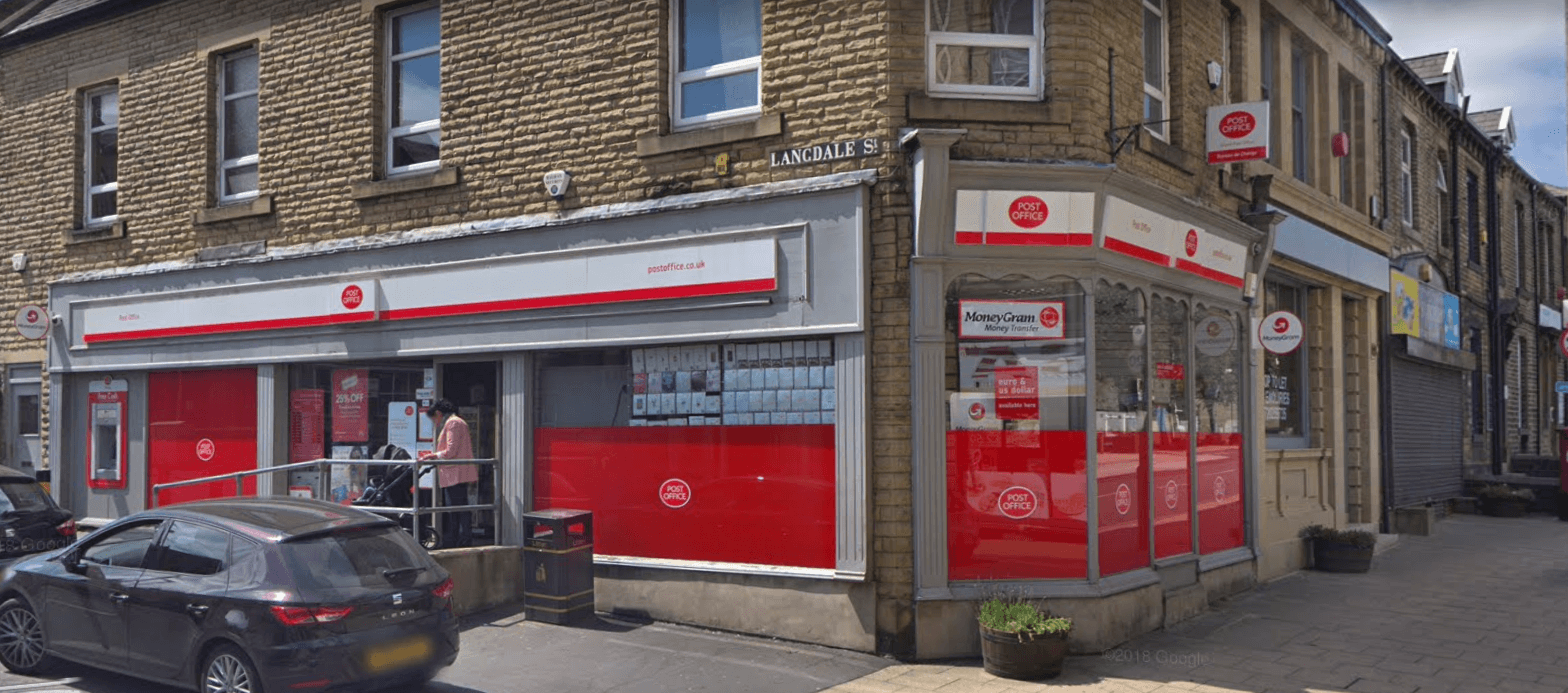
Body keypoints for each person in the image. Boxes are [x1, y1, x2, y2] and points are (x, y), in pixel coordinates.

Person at [419, 400, 479, 547]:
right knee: (459, 508)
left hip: (455, 474)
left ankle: (457, 539)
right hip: (456, 473)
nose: (435, 422)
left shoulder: (453, 423)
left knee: (455, 509)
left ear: (438, 414)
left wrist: (434, 456)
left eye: (434, 418)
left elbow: (451, 451)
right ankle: (461, 538)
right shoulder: (457, 422)